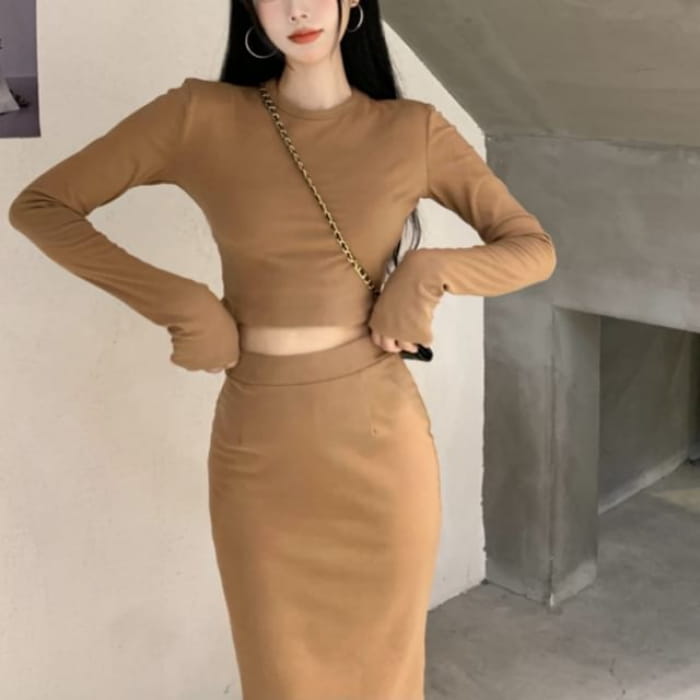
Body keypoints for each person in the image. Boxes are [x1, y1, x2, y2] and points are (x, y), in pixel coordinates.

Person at [7, 1, 557, 698]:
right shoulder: (200, 116)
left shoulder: (411, 130)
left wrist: (429, 273)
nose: (297, 8)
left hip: (381, 451)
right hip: (261, 454)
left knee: (386, 680)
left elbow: (533, 249)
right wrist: (181, 304)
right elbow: (42, 206)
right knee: (280, 679)